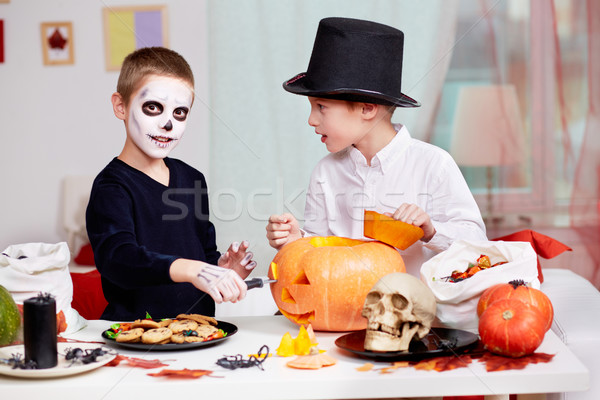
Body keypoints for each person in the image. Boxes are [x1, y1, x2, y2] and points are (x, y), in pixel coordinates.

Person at [266, 17, 487, 276]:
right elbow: (319, 252)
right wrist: (297, 239)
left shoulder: (433, 164)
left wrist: (431, 230)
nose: (311, 120)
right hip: (343, 310)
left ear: (367, 108)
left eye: (321, 107)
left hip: (415, 309)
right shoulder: (325, 172)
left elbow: (478, 245)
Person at [86, 47, 256, 321]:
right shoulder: (111, 186)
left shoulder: (193, 179)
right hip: (135, 338)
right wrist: (191, 269)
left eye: (180, 113)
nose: (168, 123)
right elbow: (118, 260)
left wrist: (221, 268)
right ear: (121, 106)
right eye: (153, 107)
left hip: (198, 334)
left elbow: (202, 256)